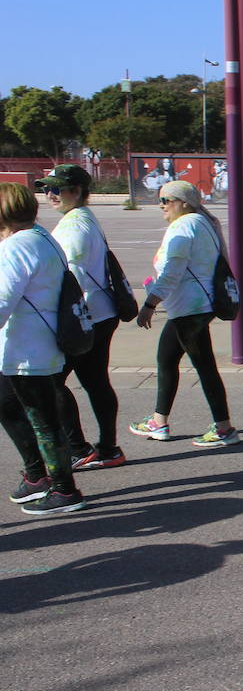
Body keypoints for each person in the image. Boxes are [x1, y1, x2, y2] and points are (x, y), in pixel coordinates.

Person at [128, 180, 239, 447]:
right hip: (195, 307)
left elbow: (172, 272)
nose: (161, 205)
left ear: (185, 203)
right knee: (167, 360)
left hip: (190, 308)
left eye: (167, 200)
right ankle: (158, 421)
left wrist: (150, 304)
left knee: (204, 367)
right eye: (160, 199)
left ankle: (224, 429)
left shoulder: (184, 225)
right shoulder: (202, 223)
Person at [0, 182, 85, 515]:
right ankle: (38, 474)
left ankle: (64, 490)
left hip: (27, 351)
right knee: (6, 404)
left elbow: (3, 300)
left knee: (44, 421)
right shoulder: (42, 237)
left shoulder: (16, 247)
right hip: (40, 343)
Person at [38, 164, 126, 469]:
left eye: (56, 189)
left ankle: (78, 447)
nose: (49, 194)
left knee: (51, 382)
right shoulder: (85, 218)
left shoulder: (72, 227)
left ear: (77, 191)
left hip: (82, 316)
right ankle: (109, 448)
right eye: (46, 188)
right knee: (96, 381)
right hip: (102, 312)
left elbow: (69, 276)